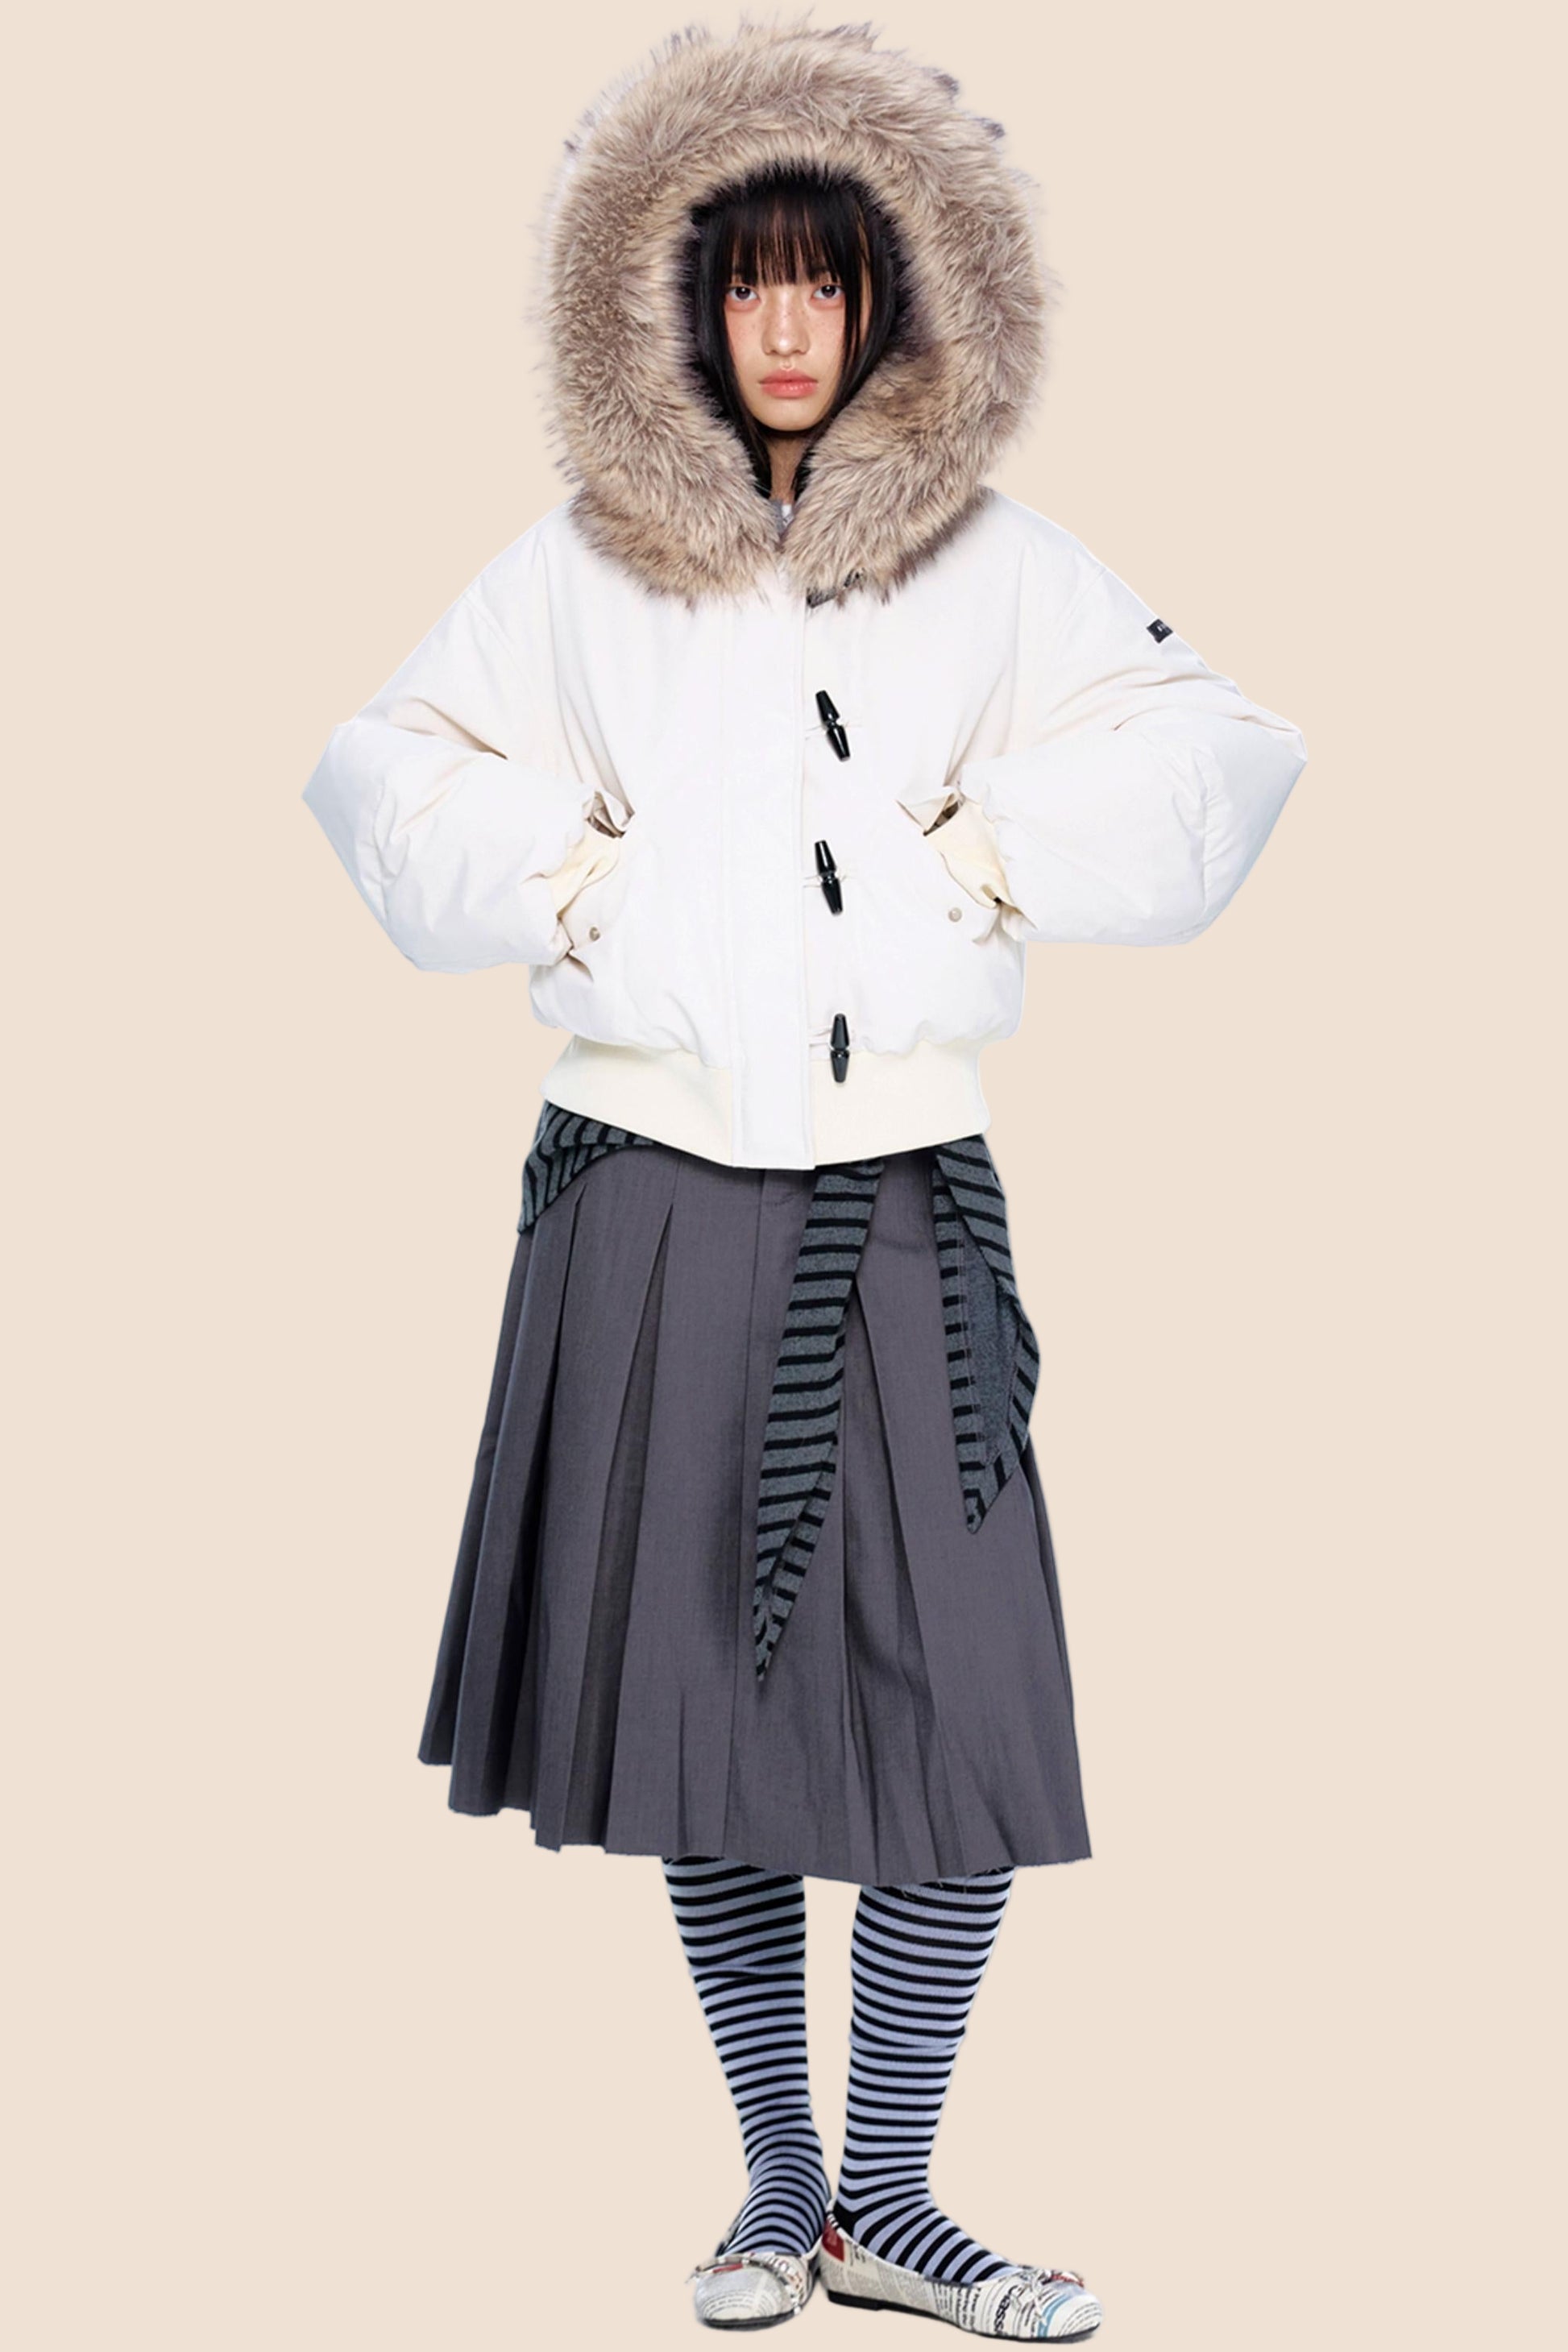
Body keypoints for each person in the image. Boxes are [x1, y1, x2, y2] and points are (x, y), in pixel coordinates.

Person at [301, 19, 1306, 2341]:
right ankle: (789, 2198)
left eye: (822, 277)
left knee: (963, 1716)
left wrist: (983, 852)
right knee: (707, 1728)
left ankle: (900, 2197)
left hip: (902, 1197)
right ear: (675, 300)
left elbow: (1224, 757)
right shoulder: (575, 572)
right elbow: (380, 772)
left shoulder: (997, 568)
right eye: (744, 276)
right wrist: (588, 894)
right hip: (645, 1194)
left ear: (891, 300)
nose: (783, 322)